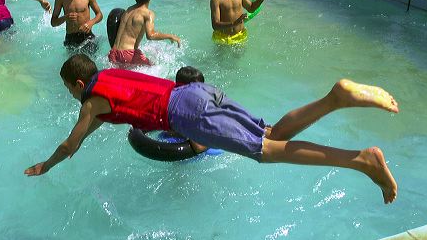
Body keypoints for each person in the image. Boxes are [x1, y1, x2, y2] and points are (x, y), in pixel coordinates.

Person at [24, 54, 399, 205]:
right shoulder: (106, 74)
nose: (71, 96)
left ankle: (361, 161)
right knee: (271, 135)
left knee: (269, 154)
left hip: (184, 113)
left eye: (67, 89)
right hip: (196, 91)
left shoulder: (91, 101)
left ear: (76, 83)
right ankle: (334, 98)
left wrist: (46, 165)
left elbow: (72, 143)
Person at [108, 0, 180, 66]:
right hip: (128, 55)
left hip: (113, 53)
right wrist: (170, 36)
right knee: (153, 67)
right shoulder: (147, 13)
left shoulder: (128, 10)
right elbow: (151, 35)